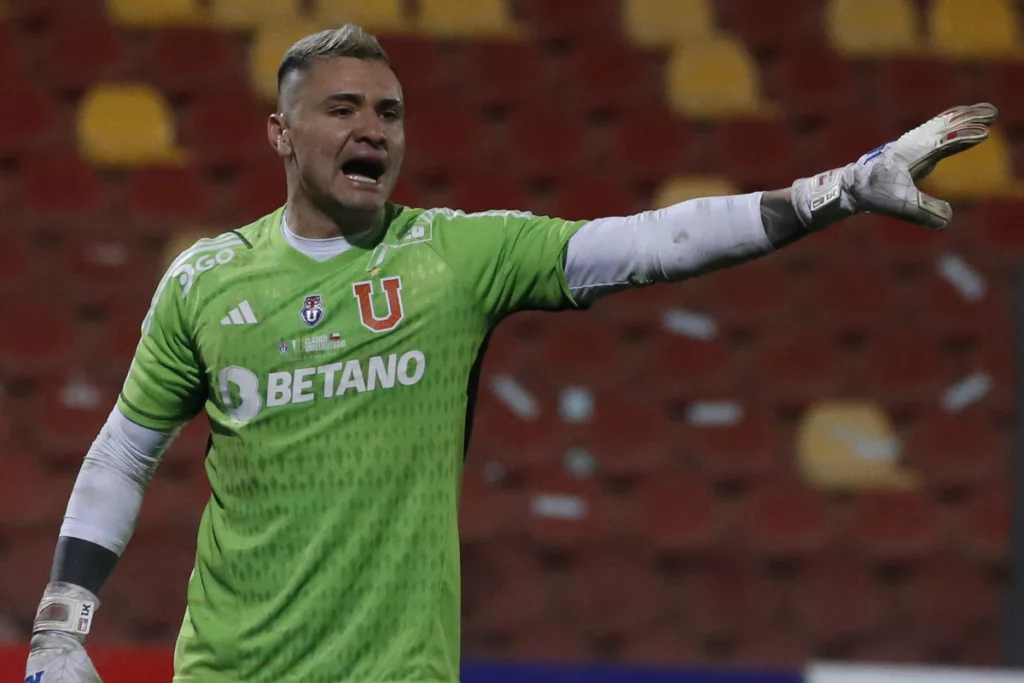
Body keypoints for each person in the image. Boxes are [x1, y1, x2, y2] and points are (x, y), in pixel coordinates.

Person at [24, 22, 996, 683]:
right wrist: (62, 623)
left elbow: (652, 241)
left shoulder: (456, 257)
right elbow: (125, 448)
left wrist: (838, 188)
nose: (371, 129)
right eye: (343, 108)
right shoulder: (206, 280)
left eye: (388, 112)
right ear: (281, 133)